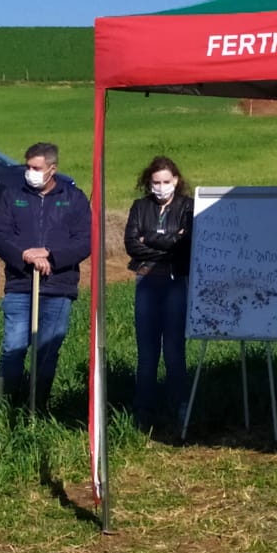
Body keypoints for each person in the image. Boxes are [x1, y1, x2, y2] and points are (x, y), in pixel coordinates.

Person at [0, 142, 92, 411]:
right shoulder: (12, 196)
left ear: (52, 169)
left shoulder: (74, 198)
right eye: (28, 166)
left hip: (59, 287)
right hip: (20, 285)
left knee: (47, 351)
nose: (30, 172)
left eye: (37, 168)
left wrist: (51, 255)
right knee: (13, 346)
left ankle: (38, 405)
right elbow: (0, 237)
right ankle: (4, 406)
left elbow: (84, 242)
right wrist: (25, 255)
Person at [124, 155, 194, 431]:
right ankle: (143, 410)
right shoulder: (140, 207)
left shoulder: (188, 207)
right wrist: (169, 242)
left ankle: (179, 406)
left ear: (175, 180)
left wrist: (150, 239)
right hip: (146, 281)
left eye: (166, 181)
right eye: (156, 182)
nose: (161, 186)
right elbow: (132, 245)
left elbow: (186, 245)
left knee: (174, 348)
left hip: (176, 281)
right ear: (148, 183)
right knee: (147, 350)